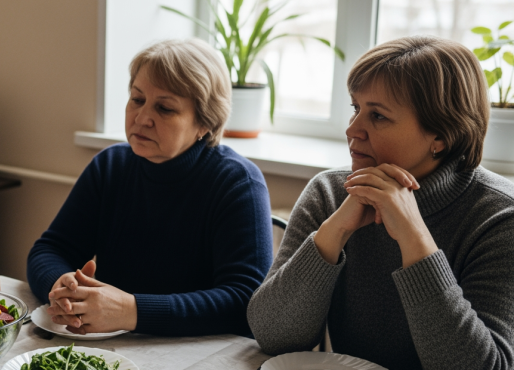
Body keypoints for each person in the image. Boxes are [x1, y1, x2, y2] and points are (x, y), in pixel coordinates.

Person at [246, 36, 514, 370]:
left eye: (378, 116)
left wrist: (415, 238)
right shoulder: (329, 192)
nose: (352, 129)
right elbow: (272, 335)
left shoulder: (499, 217)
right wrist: (335, 231)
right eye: (356, 109)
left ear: (441, 137)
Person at [27, 39, 274, 337]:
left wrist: (131, 311)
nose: (142, 118)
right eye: (137, 99)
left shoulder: (238, 183)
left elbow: (245, 300)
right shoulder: (110, 166)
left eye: (165, 108)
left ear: (204, 125)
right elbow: (50, 249)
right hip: (111, 344)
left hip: (201, 352)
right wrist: (61, 286)